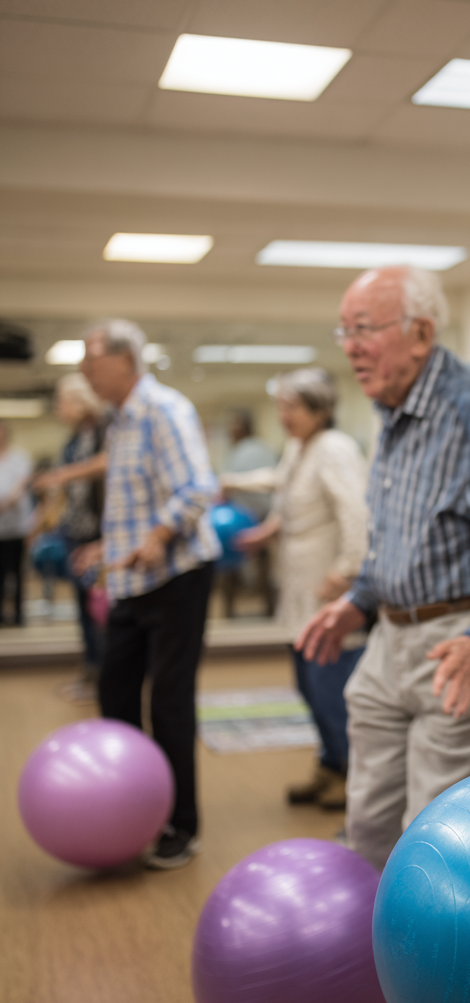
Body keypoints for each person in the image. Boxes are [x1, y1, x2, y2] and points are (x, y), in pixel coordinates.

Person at [297, 266, 470, 870]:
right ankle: (368, 960)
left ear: (419, 334)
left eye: (363, 329)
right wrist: (359, 599)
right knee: (365, 823)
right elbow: (399, 532)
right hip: (390, 638)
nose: (350, 346)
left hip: (463, 642)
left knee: (438, 839)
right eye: (344, 330)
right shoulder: (388, 404)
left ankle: (437, 964)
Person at [74, 319, 220, 870]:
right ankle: (132, 803)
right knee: (114, 692)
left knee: (169, 700)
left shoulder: (165, 409)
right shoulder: (119, 420)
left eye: (92, 361)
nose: (86, 372)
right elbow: (136, 497)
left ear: (124, 360)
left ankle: (182, 824)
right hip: (132, 578)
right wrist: (106, 547)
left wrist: (158, 536)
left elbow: (198, 488)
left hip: (178, 576)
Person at [222, 368, 368, 811]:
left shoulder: (334, 448)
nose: (284, 415)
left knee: (331, 687)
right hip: (299, 587)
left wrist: (346, 572)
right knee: (306, 684)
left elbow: (355, 513)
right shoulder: (299, 448)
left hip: (328, 589)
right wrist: (266, 529)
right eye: (280, 406)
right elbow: (285, 491)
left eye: (294, 407)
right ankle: (328, 764)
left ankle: (352, 775)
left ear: (321, 409)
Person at [31, 373, 110, 695]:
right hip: (73, 531)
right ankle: (91, 670)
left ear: (80, 402)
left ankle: (105, 675)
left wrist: (62, 474)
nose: (58, 409)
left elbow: (106, 465)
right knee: (82, 606)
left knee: (101, 608)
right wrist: (39, 521)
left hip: (99, 534)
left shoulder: (106, 429)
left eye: (61, 402)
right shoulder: (73, 440)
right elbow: (62, 490)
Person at [219, 409, 277, 617]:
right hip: (250, 518)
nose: (232, 431)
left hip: (252, 519)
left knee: (258, 568)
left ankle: (260, 608)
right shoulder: (262, 449)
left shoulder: (245, 451)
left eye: (235, 427)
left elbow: (225, 485)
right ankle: (263, 609)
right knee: (257, 568)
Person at [0, 420, 32, 626]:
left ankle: (19, 615)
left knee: (17, 573)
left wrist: (7, 502)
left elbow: (22, 485)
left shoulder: (20, 458)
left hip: (17, 527)